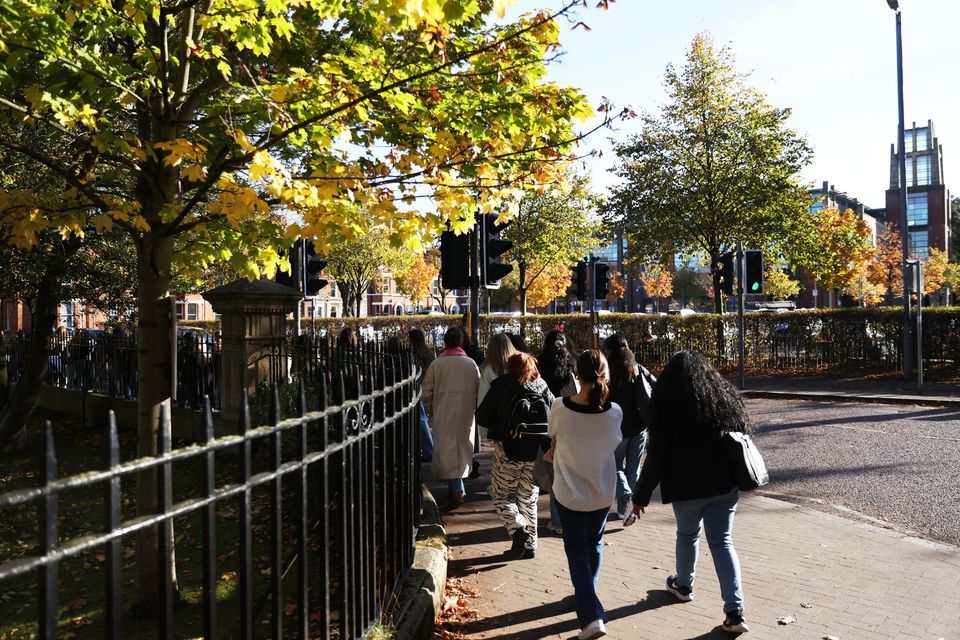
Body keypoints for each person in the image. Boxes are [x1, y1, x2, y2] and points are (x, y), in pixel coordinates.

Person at [631, 350, 751, 634]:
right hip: (724, 484)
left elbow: (656, 456)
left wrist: (640, 496)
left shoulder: (666, 406)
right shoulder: (723, 397)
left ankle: (683, 584)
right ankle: (735, 611)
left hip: (686, 489)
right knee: (722, 542)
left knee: (687, 535)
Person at [548, 350, 622, 640]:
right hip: (602, 491)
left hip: (570, 491)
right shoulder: (615, 412)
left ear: (576, 373)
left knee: (577, 550)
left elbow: (553, 438)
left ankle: (590, 615)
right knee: (594, 545)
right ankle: (586, 595)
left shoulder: (559, 407)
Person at [476, 352, 554, 559]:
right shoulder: (543, 386)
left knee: (501, 494)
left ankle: (517, 528)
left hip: (508, 451)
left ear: (509, 367)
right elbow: (554, 413)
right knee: (528, 498)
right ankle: (530, 546)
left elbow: (482, 416)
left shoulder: (501, 386)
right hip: (536, 452)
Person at [422, 326, 480, 509]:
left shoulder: (437, 364)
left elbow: (426, 392)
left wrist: (431, 408)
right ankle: (457, 489)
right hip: (465, 412)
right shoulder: (471, 363)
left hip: (444, 411)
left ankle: (456, 490)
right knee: (461, 450)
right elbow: (479, 389)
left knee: (447, 451)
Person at [537, 330, 580, 534]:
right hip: (567, 426)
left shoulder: (538, 367)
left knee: (552, 473)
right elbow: (575, 397)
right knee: (567, 474)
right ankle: (567, 519)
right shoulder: (568, 372)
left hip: (545, 425)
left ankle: (556, 521)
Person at [603, 334, 648, 525]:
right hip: (639, 428)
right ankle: (626, 508)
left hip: (617, 428)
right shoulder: (637, 370)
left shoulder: (607, 373)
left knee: (614, 466)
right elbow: (653, 387)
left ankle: (624, 499)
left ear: (611, 350)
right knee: (633, 469)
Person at [409, 329, 436, 462]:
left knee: (421, 419)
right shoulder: (428, 352)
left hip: (417, 388)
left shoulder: (413, 353)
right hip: (428, 387)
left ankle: (428, 449)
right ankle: (426, 448)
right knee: (422, 418)